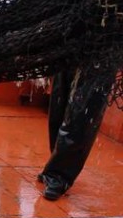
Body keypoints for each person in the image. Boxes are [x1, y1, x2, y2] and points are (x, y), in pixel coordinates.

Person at [38, 66, 116, 201]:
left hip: (101, 53)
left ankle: (60, 176)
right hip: (72, 48)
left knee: (84, 110)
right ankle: (53, 169)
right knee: (59, 100)